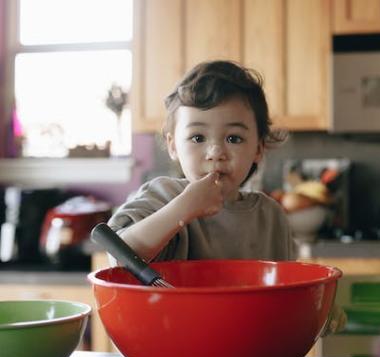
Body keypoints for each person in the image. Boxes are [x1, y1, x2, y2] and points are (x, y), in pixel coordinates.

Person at [107, 60, 345, 334]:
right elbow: (117, 253)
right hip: (172, 350)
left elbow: (285, 297)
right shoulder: (163, 196)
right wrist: (182, 209)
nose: (215, 152)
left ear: (259, 148)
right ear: (173, 145)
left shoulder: (270, 216)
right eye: (197, 138)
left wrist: (316, 307)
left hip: (251, 356)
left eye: (234, 138)